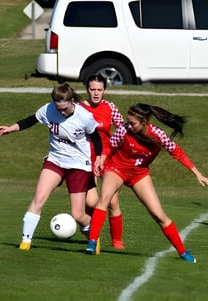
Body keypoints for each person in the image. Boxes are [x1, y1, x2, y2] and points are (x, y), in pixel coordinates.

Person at [86, 103, 208, 263]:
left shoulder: (157, 135)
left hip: (139, 175)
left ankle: (183, 252)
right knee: (105, 198)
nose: (128, 125)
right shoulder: (124, 130)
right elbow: (110, 146)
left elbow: (177, 152)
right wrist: (101, 160)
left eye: (133, 123)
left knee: (159, 216)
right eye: (128, 121)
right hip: (117, 169)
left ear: (144, 122)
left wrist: (198, 174)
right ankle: (92, 241)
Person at [0, 83, 102, 251]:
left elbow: (96, 138)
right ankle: (25, 241)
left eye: (65, 109)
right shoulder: (48, 109)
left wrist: (99, 159)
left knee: (78, 214)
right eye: (58, 109)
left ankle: (93, 237)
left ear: (72, 101)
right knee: (39, 198)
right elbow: (30, 120)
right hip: (56, 160)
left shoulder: (85, 116)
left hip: (79, 165)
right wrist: (11, 128)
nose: (61, 113)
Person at [79, 74, 125, 249]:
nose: (96, 93)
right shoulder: (79, 108)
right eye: (92, 89)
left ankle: (117, 241)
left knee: (112, 200)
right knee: (91, 202)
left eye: (99, 90)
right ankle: (91, 231)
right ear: (87, 90)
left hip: (107, 157)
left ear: (104, 90)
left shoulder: (110, 107)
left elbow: (122, 129)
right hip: (84, 158)